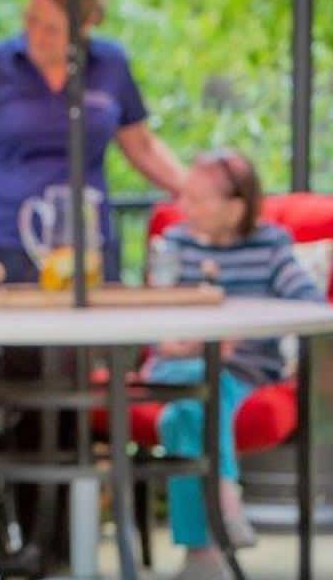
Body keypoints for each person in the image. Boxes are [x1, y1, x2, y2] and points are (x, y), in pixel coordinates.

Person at [0, 0, 185, 282]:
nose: (37, 36)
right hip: (2, 236)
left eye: (52, 29)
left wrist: (194, 192)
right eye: (31, 20)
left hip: (87, 241)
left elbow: (142, 146)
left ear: (86, 25)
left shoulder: (111, 65)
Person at [147, 149, 324, 580]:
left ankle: (200, 555)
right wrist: (178, 344)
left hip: (242, 372)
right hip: (176, 366)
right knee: (195, 381)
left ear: (236, 207)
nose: (183, 209)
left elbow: (311, 305)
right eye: (183, 198)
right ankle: (224, 497)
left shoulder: (270, 246)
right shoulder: (174, 245)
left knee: (182, 416)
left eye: (197, 200)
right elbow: (153, 315)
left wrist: (240, 332)